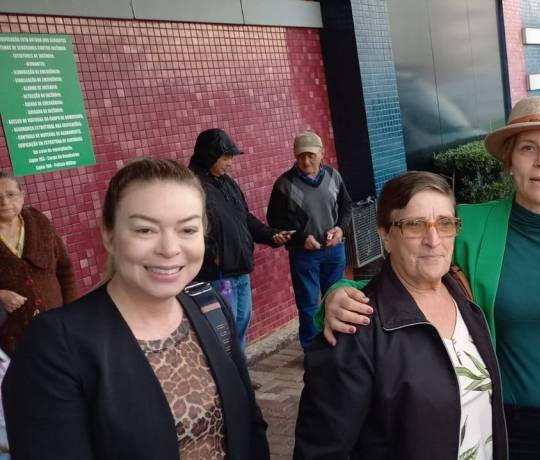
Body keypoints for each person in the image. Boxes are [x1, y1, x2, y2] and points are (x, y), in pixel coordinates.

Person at [320, 96, 540, 459]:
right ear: (509, 161)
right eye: (528, 148)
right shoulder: (470, 226)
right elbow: (409, 274)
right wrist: (341, 291)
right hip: (509, 429)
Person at [2, 158, 269, 459]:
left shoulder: (208, 306)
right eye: (145, 230)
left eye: (187, 229)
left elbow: (249, 425)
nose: (169, 249)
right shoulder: (55, 345)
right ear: (109, 235)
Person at [294, 171, 507, 459]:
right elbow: (320, 451)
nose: (433, 240)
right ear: (385, 234)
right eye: (414, 225)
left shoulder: (463, 297)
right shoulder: (354, 329)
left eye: (445, 223)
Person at [188, 128, 291, 352]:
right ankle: (227, 372)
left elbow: (245, 218)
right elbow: (187, 231)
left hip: (240, 269)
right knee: (223, 333)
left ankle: (239, 369)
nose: (230, 163)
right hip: (217, 275)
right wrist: (212, 256)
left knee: (241, 325)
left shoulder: (227, 183)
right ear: (210, 156)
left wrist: (271, 235)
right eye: (226, 158)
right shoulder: (192, 188)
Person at [267, 131, 353, 349]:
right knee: (308, 306)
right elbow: (274, 221)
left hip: (334, 250)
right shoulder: (284, 184)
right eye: (300, 156)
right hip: (304, 255)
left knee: (336, 298)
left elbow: (346, 206)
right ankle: (312, 350)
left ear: (321, 153)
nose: (306, 161)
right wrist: (300, 239)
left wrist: (340, 229)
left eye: (311, 155)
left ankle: (337, 345)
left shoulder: (333, 176)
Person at [0, 171, 77, 354]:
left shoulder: (38, 222)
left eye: (11, 194)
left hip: (58, 326)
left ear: (22, 196)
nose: (4, 202)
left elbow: (65, 270)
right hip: (12, 339)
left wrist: (73, 312)